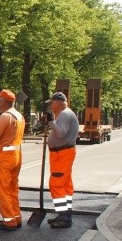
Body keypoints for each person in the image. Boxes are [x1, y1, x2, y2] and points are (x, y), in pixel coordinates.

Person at [0, 89, 25, 231]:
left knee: (2, 190)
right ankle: (16, 217)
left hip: (5, 157)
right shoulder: (19, 116)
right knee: (12, 189)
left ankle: (9, 221)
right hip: (16, 155)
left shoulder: (5, 117)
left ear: (3, 102)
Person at [44, 91, 79, 228]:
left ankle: (64, 216)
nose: (50, 106)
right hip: (63, 153)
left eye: (51, 103)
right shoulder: (67, 113)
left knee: (56, 183)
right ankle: (65, 213)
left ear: (57, 103)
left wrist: (51, 121)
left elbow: (60, 133)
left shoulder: (64, 114)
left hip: (62, 154)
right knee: (65, 184)